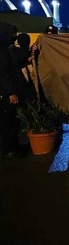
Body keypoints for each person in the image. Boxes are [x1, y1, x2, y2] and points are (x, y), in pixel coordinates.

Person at [0, 23, 21, 158]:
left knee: (10, 120)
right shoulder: (2, 52)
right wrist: (11, 92)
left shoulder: (6, 49)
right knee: (8, 121)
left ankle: (11, 146)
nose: (15, 37)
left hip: (6, 92)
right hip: (6, 94)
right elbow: (3, 74)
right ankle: (8, 148)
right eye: (13, 34)